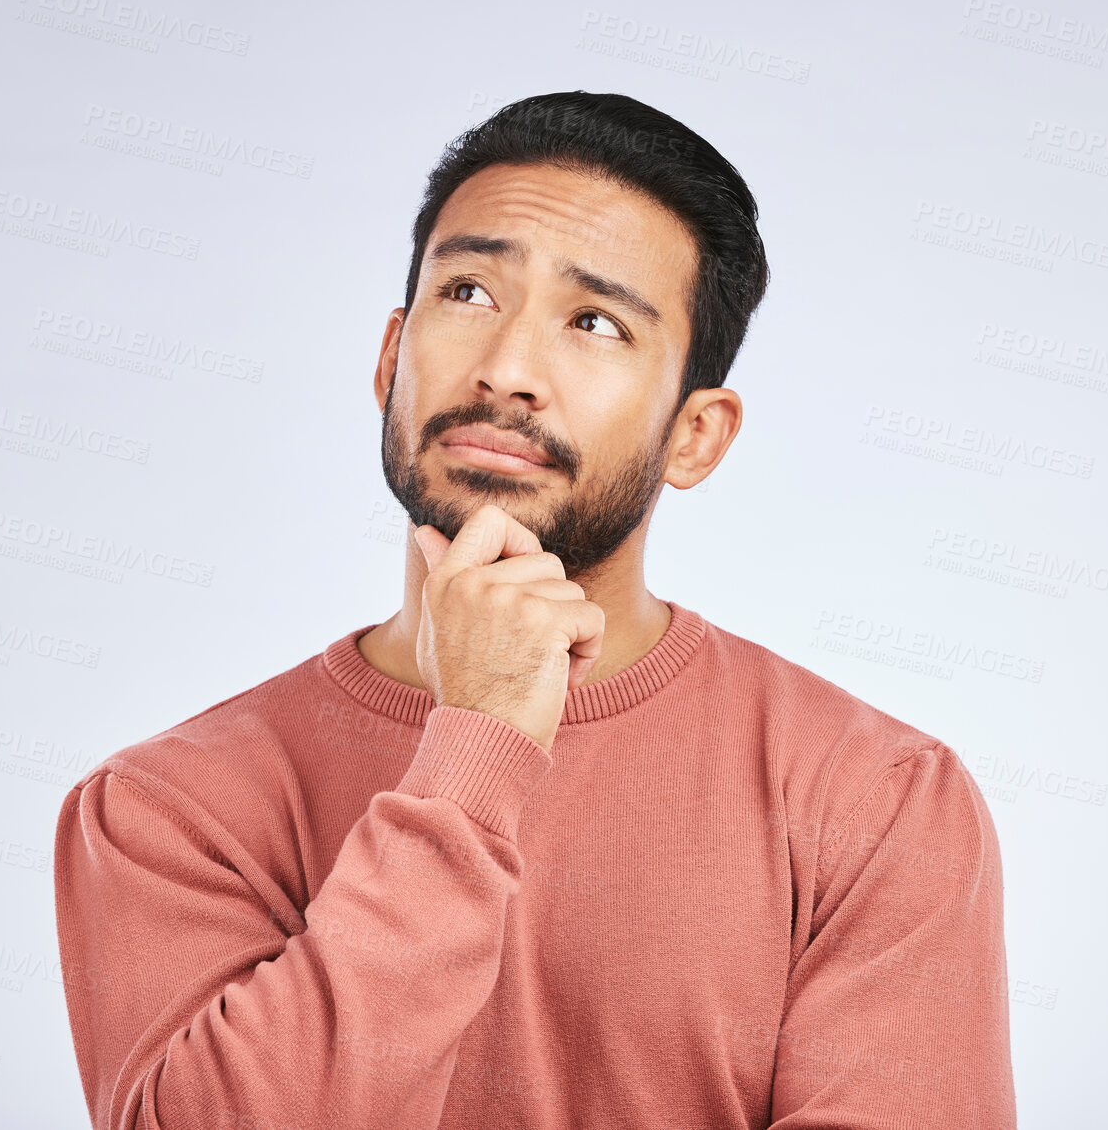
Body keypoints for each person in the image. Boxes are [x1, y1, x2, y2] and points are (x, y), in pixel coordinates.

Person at [54, 91, 1017, 1129]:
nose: (507, 371)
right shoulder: (166, 807)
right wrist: (480, 746)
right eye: (468, 292)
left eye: (594, 323)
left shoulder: (875, 800)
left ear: (696, 435)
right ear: (390, 362)